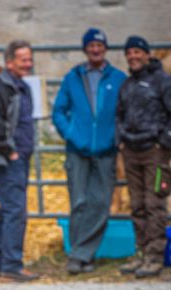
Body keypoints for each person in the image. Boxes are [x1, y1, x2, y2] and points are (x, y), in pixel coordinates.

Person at [52, 28, 127, 275]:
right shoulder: (73, 77)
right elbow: (58, 111)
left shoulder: (117, 78)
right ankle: (80, 256)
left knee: (101, 202)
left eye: (100, 46)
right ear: (85, 49)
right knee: (79, 202)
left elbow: (126, 112)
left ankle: (80, 254)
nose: (96, 50)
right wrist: (72, 134)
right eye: (91, 46)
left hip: (106, 150)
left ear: (105, 49)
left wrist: (117, 138)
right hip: (78, 150)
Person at [0, 40, 39, 282]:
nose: (28, 64)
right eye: (23, 59)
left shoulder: (20, 87)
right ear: (10, 61)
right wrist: (8, 150)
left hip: (18, 157)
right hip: (6, 160)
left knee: (8, 211)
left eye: (29, 59)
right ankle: (12, 266)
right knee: (15, 211)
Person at [116, 35, 171, 278]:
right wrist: (121, 140)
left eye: (137, 52)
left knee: (154, 203)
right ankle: (140, 251)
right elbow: (119, 115)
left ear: (147, 55)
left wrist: (164, 141)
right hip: (132, 151)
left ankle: (155, 256)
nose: (133, 56)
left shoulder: (162, 82)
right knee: (137, 204)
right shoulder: (127, 85)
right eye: (129, 53)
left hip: (154, 152)